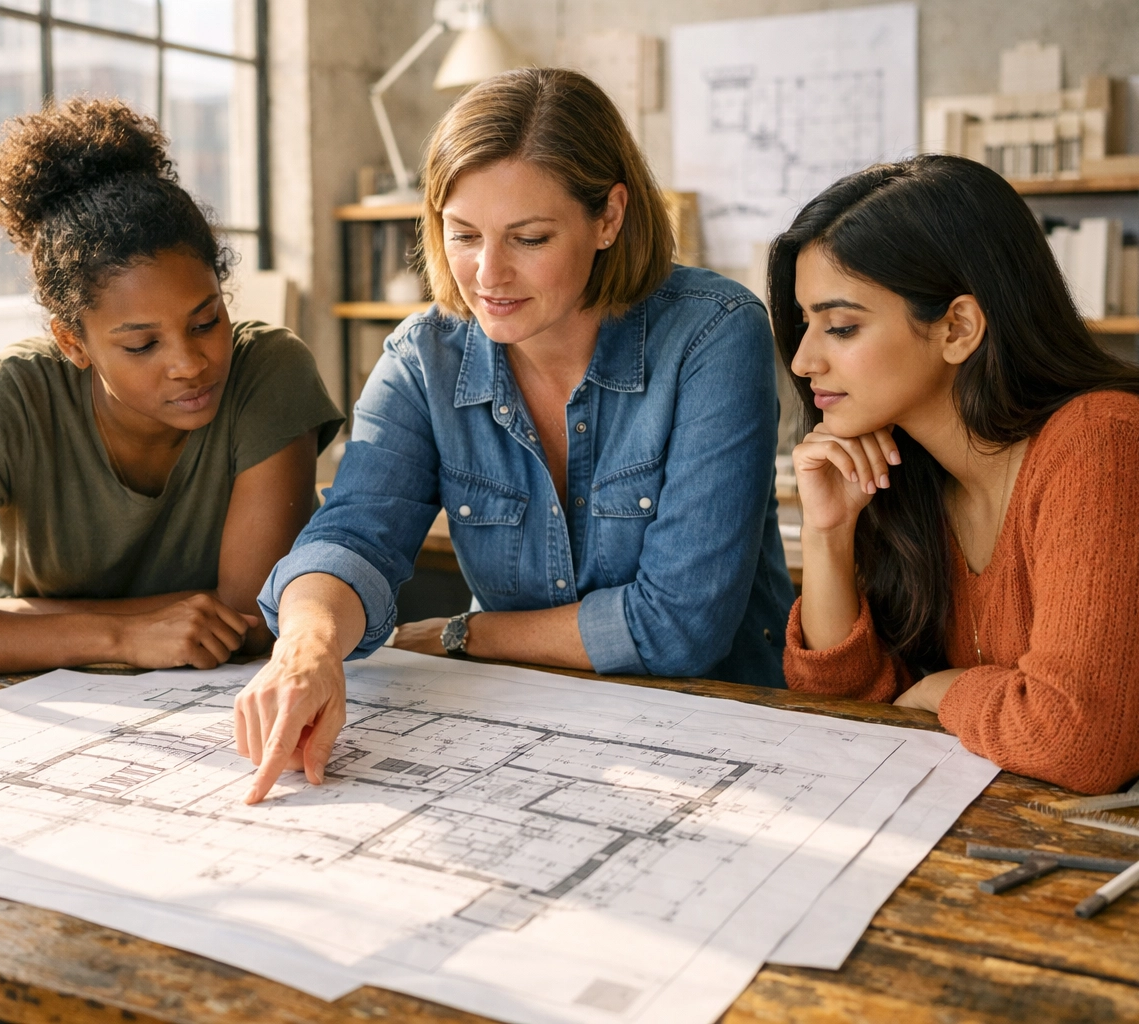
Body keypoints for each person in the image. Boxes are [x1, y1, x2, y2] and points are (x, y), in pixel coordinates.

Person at [234, 67, 794, 804]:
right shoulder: (424, 356)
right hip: (526, 730)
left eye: (529, 238)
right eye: (462, 234)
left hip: (728, 735)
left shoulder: (715, 332)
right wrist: (307, 647)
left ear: (609, 217)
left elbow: (678, 629)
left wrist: (467, 634)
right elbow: (354, 533)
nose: (487, 274)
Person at [774, 154, 1139, 794]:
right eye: (804, 325)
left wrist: (944, 688)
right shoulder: (918, 477)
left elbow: (1082, 742)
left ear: (958, 327)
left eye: (841, 326)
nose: (802, 361)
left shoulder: (1109, 447)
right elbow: (849, 703)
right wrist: (829, 534)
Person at [0, 99, 344, 676]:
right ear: (73, 343)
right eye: (141, 345)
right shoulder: (12, 397)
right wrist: (120, 635)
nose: (189, 363)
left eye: (206, 321)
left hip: (195, 704)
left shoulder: (267, 371)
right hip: (16, 697)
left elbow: (247, 622)